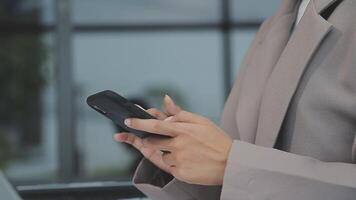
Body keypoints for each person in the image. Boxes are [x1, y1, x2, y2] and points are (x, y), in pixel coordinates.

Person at [114, 0, 356, 199]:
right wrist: (186, 166)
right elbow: (236, 176)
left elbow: (238, 166)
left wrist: (232, 164)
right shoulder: (274, 27)